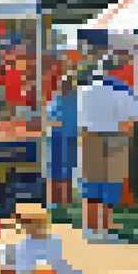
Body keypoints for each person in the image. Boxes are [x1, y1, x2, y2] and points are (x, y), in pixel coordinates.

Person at [76, 61, 138, 242]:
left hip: (88, 137)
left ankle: (90, 229)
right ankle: (105, 230)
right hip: (115, 136)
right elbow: (131, 121)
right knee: (110, 184)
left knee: (91, 184)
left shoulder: (84, 90)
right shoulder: (122, 90)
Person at [44, 70, 80, 210]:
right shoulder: (70, 100)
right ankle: (60, 201)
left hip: (62, 138)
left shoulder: (58, 100)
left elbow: (50, 119)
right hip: (63, 138)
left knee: (60, 171)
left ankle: (59, 201)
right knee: (63, 171)